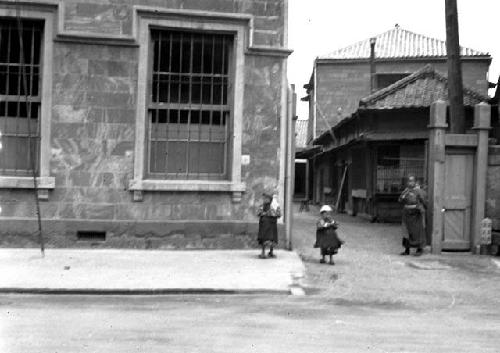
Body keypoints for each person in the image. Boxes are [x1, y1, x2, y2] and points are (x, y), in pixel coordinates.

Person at [398, 176, 426, 256]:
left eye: (412, 181)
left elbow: (423, 201)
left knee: (417, 232)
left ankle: (419, 249)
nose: (410, 183)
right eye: (409, 181)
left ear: (415, 182)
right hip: (407, 213)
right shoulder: (406, 191)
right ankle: (407, 249)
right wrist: (403, 196)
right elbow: (400, 200)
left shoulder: (419, 191)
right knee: (406, 232)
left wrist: (421, 209)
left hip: (416, 214)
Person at [257, 192, 281, 259]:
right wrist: (265, 213)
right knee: (264, 238)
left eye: (266, 198)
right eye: (264, 198)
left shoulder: (275, 205)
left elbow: (278, 214)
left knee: (272, 238)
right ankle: (263, 253)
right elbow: (258, 213)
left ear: (270, 199)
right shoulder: (262, 205)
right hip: (264, 224)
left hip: (271, 224)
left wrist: (267, 213)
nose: (264, 199)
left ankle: (271, 252)